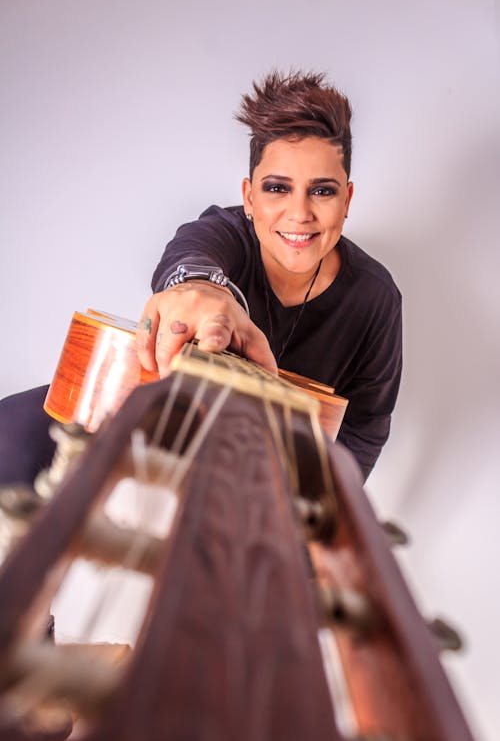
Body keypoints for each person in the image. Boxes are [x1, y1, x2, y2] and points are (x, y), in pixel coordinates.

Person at [0, 70, 402, 484]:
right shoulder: (222, 232)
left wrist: (319, 515)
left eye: (322, 191)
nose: (299, 213)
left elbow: (366, 426)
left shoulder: (376, 298)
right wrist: (203, 292)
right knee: (10, 435)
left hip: (253, 472)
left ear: (347, 199)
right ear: (248, 197)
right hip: (154, 426)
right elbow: (188, 258)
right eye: (278, 189)